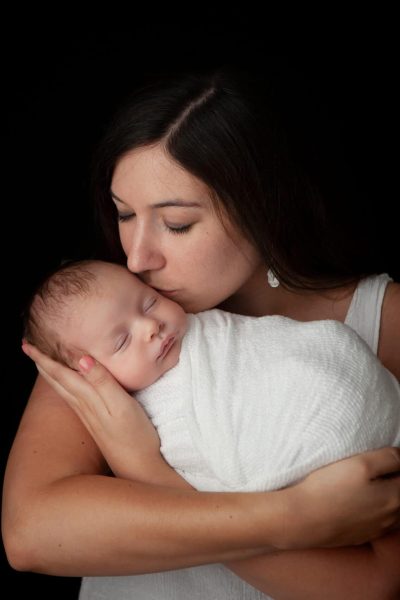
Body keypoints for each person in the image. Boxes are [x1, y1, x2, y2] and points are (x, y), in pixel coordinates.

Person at [3, 67, 400, 600]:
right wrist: (290, 517)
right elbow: (32, 534)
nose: (137, 257)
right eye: (124, 214)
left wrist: (148, 472)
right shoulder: (107, 325)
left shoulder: (385, 318)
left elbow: (376, 582)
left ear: (262, 208)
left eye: (177, 224)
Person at [23, 258, 400, 497]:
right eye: (122, 341)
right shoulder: (109, 405)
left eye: (149, 301)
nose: (150, 326)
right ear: (90, 373)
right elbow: (29, 538)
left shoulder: (205, 327)